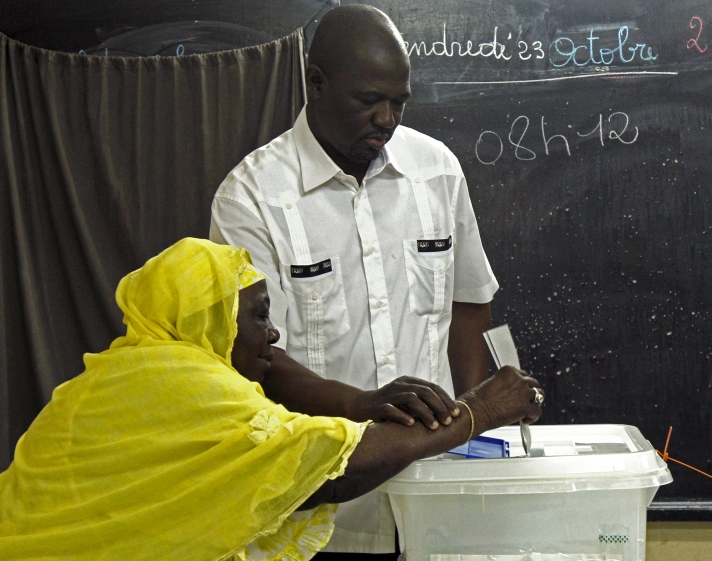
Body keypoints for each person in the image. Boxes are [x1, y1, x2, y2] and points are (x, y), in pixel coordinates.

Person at [0, 238, 542, 561]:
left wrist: (363, 403)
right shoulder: (190, 384)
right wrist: (479, 412)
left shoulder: (110, 379)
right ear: (210, 320)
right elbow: (325, 471)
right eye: (256, 316)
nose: (272, 334)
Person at [210, 6, 500, 556]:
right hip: (319, 515)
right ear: (316, 84)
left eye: (399, 102)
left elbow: (468, 302)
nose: (387, 119)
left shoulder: (436, 171)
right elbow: (254, 358)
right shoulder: (251, 198)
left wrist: (469, 421)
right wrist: (364, 405)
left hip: (434, 504)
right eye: (369, 102)